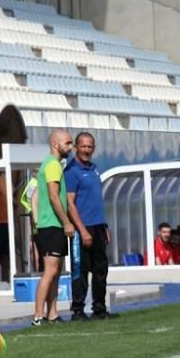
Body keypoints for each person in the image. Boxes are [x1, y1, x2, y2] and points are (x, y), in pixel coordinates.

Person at [65, 132, 117, 321]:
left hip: (98, 227)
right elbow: (70, 203)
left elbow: (96, 201)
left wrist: (104, 226)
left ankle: (99, 308)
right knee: (81, 270)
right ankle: (78, 310)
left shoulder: (94, 169)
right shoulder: (71, 172)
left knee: (101, 270)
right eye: (83, 146)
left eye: (90, 146)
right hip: (82, 229)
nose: (87, 150)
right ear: (76, 148)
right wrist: (83, 230)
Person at [32, 130, 74, 325]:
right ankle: (38, 316)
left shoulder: (52, 165)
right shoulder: (52, 165)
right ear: (56, 144)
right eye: (68, 143)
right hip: (51, 225)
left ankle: (52, 313)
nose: (71, 147)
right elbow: (53, 196)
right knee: (50, 271)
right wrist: (66, 222)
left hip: (52, 224)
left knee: (55, 271)